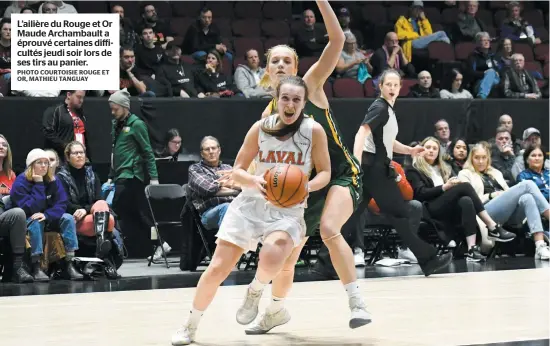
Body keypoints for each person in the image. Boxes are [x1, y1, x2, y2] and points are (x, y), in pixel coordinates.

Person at [171, 75, 332, 345]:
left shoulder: (313, 130)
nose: (290, 103)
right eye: (285, 98)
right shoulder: (260, 128)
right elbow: (237, 170)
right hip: (251, 203)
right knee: (217, 268)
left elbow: (325, 172)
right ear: (276, 100)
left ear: (304, 103)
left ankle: (255, 291)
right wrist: (255, 180)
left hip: (288, 207)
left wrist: (306, 187)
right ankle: (190, 325)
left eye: (296, 99)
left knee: (274, 251)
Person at [242, 0, 370, 334]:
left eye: (288, 59)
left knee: (329, 229)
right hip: (302, 185)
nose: (282, 64)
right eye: (275, 61)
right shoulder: (267, 117)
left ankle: (357, 301)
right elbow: (261, 163)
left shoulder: (308, 86)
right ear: (267, 71)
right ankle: (274, 311)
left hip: (340, 174)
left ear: (297, 66)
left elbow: (338, 41)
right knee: (286, 256)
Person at [353, 69, 454, 275]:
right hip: (374, 168)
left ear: (400, 88)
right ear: (380, 87)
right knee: (400, 214)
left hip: (374, 167)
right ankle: (428, 259)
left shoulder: (388, 111)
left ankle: (324, 264)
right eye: (387, 84)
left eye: (395, 85)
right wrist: (355, 162)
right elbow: (361, 132)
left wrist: (409, 150)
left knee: (352, 215)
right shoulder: (380, 107)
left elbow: (387, 141)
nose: (391, 88)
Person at [10, 148, 82, 281]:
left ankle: (69, 263)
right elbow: (30, 208)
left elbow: (62, 203)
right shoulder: (20, 182)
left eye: (46, 163)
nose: (44, 166)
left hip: (48, 216)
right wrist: (38, 184)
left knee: (68, 218)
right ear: (31, 165)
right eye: (39, 163)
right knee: (36, 222)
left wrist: (48, 215)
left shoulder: (53, 180)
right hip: (27, 218)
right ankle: (36, 265)